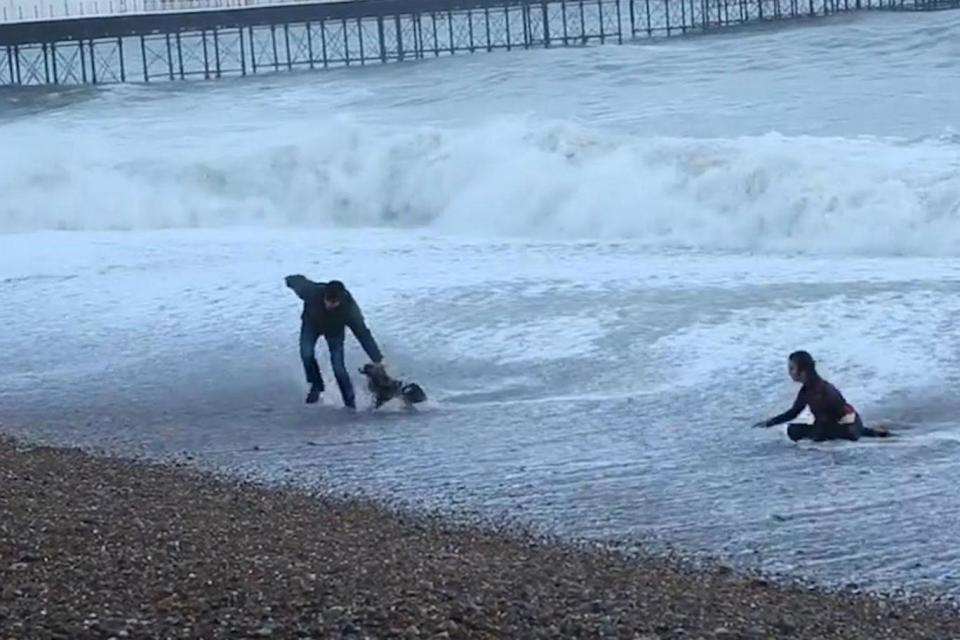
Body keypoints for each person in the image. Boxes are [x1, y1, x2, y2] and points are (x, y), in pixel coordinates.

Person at [284, 275, 385, 409]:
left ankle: (350, 403)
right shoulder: (312, 291)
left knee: (338, 366)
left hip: (334, 332)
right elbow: (297, 281)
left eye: (334, 302)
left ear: (341, 300)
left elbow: (362, 333)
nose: (330, 305)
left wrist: (377, 358)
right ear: (324, 296)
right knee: (306, 352)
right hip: (311, 325)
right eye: (328, 301)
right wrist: (290, 281)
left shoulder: (349, 309)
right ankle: (316, 384)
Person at [752, 350, 890, 442]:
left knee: (794, 431)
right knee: (796, 429)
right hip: (853, 424)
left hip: (846, 430)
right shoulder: (812, 386)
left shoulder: (817, 390)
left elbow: (825, 421)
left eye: (792, 368)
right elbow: (794, 413)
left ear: (803, 371)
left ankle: (871, 433)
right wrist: (768, 423)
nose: (789, 372)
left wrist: (813, 443)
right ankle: (874, 433)